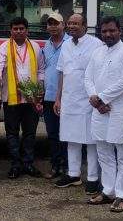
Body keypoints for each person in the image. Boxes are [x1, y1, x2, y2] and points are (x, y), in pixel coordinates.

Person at [83, 16, 123, 211]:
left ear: (120, 31)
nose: (108, 34)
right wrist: (94, 97)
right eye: (104, 31)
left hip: (120, 110)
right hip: (99, 110)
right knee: (103, 152)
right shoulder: (97, 52)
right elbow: (88, 77)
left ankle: (122, 195)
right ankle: (108, 191)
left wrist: (101, 98)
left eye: (112, 30)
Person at [0, 17, 46, 179]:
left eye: (22, 28)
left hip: (31, 99)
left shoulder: (35, 47)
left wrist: (39, 90)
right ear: (11, 31)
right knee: (12, 133)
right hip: (12, 99)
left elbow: (41, 70)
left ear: (27, 30)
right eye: (16, 29)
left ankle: (28, 164)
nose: (19, 31)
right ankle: (15, 165)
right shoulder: (3, 48)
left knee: (30, 133)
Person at [53, 14, 103, 194]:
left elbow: (100, 73)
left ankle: (92, 177)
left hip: (89, 100)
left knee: (91, 140)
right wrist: (58, 98)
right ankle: (73, 174)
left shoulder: (96, 44)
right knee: (71, 138)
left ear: (85, 25)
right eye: (70, 23)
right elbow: (61, 73)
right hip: (69, 99)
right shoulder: (65, 45)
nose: (72, 26)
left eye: (76, 23)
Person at [41, 13, 69, 179]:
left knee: (65, 134)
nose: (52, 26)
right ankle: (55, 165)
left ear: (63, 25)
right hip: (49, 97)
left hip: (65, 97)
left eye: (56, 23)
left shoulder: (70, 43)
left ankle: (67, 167)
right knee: (52, 134)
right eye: (50, 24)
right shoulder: (46, 45)